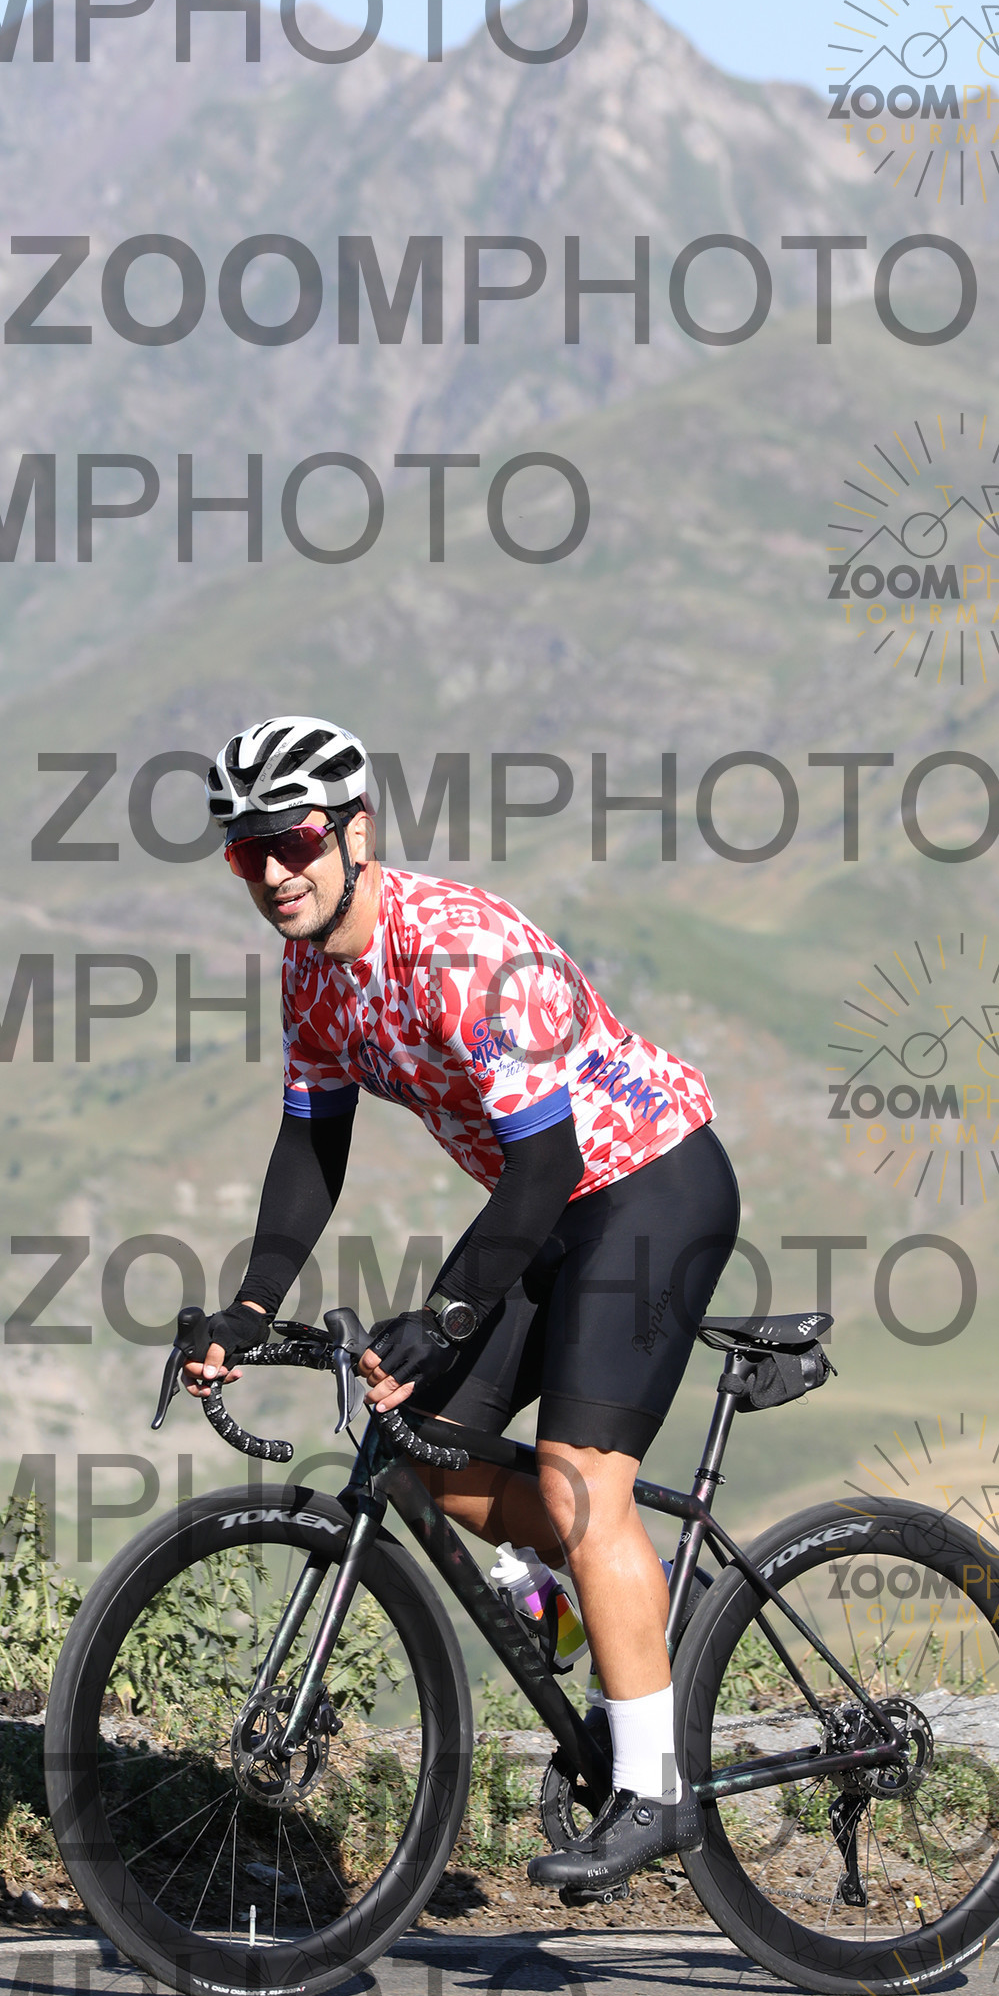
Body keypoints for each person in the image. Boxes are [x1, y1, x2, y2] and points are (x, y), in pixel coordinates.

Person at [183, 717, 740, 1891]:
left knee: (580, 1479)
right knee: (424, 1442)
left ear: (355, 833)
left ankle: (654, 1791)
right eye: (246, 853)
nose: (273, 872)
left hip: (649, 1186)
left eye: (292, 841)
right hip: (548, 1211)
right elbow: (309, 1148)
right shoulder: (312, 973)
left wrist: (440, 1316)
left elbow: (544, 1165)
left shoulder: (460, 951)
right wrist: (248, 1307)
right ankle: (614, 1599)